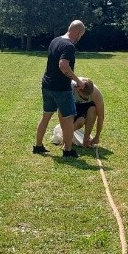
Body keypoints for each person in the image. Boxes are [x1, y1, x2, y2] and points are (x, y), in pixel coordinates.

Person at [33, 19, 87, 158]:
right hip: (61, 88)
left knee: (46, 116)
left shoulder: (55, 40)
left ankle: (38, 146)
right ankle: (68, 150)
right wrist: (78, 81)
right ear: (79, 32)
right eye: (81, 35)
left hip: (47, 85)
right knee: (68, 119)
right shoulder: (69, 46)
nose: (80, 38)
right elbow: (63, 66)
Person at [72, 78, 105, 147]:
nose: (87, 98)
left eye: (88, 95)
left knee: (93, 109)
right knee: (80, 121)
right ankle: (66, 135)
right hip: (73, 106)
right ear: (78, 89)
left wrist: (97, 136)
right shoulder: (71, 88)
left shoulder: (96, 94)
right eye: (84, 97)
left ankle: (86, 139)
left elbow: (101, 116)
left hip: (86, 107)